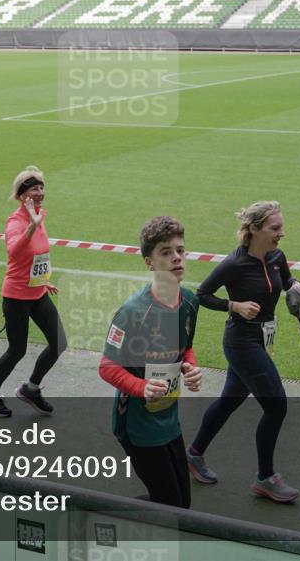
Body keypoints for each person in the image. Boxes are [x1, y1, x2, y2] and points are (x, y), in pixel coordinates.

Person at [186, 201, 300, 503]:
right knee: (276, 405)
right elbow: (201, 294)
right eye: (275, 228)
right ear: (254, 230)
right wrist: (234, 305)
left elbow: (285, 280)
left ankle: (193, 454)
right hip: (241, 342)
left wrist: (295, 287)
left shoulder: (277, 256)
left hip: (262, 338)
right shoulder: (234, 264)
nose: (282, 233)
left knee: (230, 401)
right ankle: (265, 478)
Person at [98, 216, 202, 508]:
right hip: (136, 426)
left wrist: (190, 367)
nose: (177, 258)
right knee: (172, 504)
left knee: (181, 503)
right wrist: (142, 387)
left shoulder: (190, 302)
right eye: (166, 252)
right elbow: (107, 367)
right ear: (150, 262)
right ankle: (109, 517)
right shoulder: (133, 312)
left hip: (169, 419)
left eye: (180, 250)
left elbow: (186, 348)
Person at [0, 165, 66, 417]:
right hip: (16, 297)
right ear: (21, 196)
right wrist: (31, 225)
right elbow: (14, 251)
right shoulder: (16, 222)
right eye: (33, 189)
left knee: (59, 342)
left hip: (36, 293)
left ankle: (31, 388)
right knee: (17, 350)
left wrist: (43, 280)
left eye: (41, 188)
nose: (39, 193)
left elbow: (37, 256)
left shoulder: (40, 217)